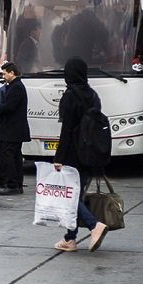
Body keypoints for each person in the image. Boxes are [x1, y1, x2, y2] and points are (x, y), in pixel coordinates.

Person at [52, 57, 108, 253]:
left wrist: (58, 157)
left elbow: (67, 130)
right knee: (76, 194)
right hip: (91, 153)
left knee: (70, 197)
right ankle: (70, 238)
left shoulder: (70, 96)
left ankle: (94, 226)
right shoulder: (93, 95)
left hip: (73, 154)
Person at [0, 62, 30, 196]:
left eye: (4, 73)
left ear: (11, 73)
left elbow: (9, 107)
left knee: (9, 156)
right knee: (15, 156)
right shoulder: (16, 86)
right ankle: (17, 184)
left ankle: (12, 184)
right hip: (14, 129)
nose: (3, 76)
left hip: (12, 129)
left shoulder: (16, 88)